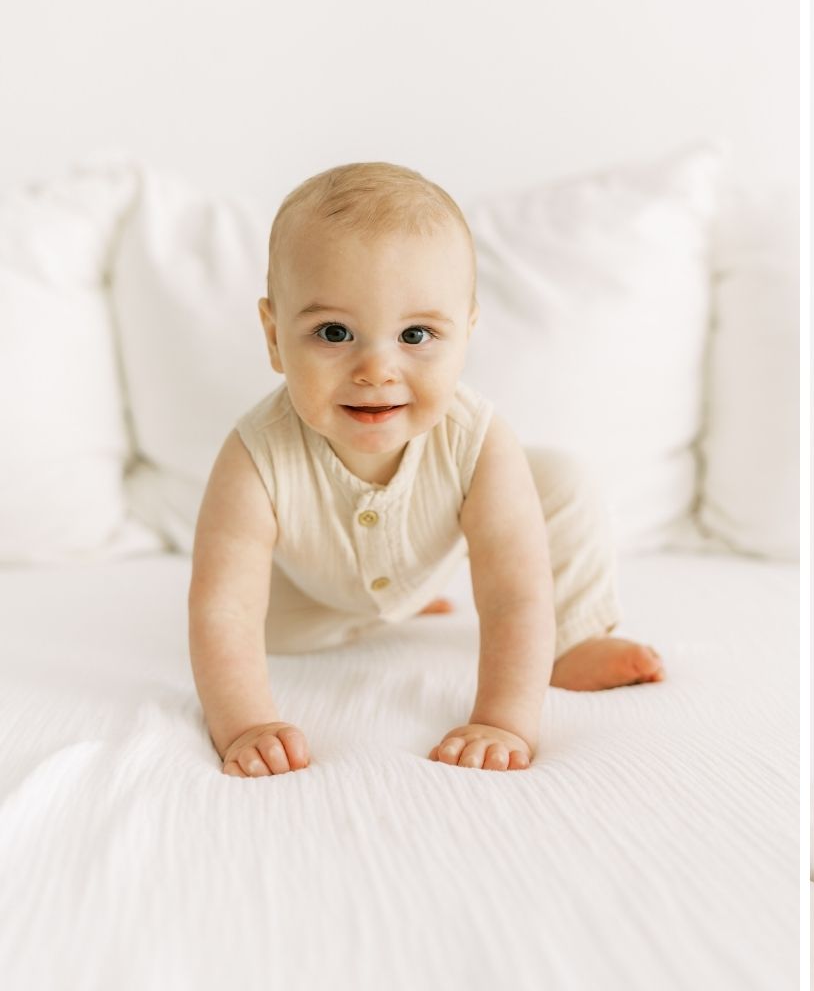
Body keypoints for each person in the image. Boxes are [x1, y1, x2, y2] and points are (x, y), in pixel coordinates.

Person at [188, 162, 663, 779]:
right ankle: (391, 608)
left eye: (415, 334)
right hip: (302, 602)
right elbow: (224, 611)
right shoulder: (254, 458)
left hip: (427, 551)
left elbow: (513, 596)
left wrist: (502, 720)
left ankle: (573, 638)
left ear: (466, 333)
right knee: (263, 628)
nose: (377, 369)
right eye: (334, 332)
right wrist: (246, 724)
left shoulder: (479, 443)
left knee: (562, 480)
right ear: (275, 337)